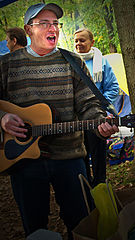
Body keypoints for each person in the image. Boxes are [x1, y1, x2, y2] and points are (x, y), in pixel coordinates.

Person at [0, 3, 119, 240]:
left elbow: (88, 104)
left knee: (82, 222)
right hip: (22, 162)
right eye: (44, 23)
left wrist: (99, 123)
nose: (52, 27)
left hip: (70, 157)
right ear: (28, 29)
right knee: (35, 229)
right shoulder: (6, 65)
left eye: (55, 23)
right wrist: (3, 118)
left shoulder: (71, 61)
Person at [74, 28, 119, 187]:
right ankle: (85, 188)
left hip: (96, 118)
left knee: (98, 155)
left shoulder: (102, 62)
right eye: (76, 41)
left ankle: (100, 186)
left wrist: (97, 106)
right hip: (75, 121)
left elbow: (113, 87)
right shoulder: (70, 61)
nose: (78, 43)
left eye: (82, 40)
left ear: (92, 42)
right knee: (80, 156)